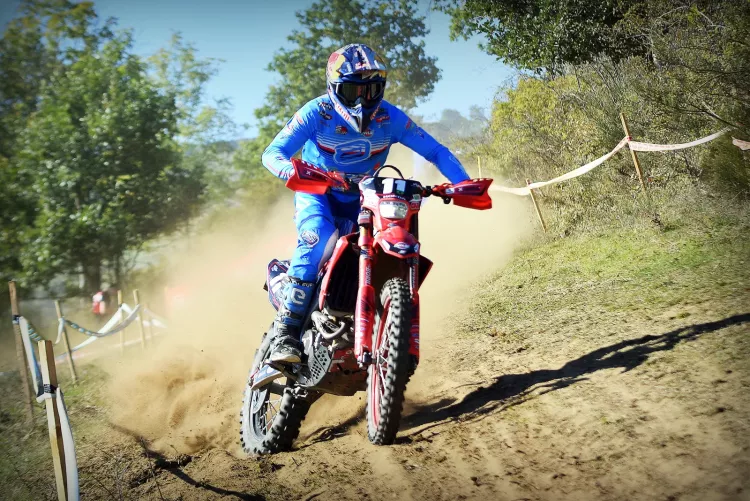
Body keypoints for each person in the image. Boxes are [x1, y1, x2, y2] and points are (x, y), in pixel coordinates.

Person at [261, 43, 470, 364]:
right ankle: (285, 333)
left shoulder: (390, 117)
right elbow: (272, 154)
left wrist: (462, 183)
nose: (361, 101)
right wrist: (298, 173)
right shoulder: (316, 112)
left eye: (370, 91)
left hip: (365, 197)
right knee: (318, 235)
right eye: (351, 91)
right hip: (318, 193)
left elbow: (436, 151)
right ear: (333, 88)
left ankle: (383, 326)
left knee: (389, 242)